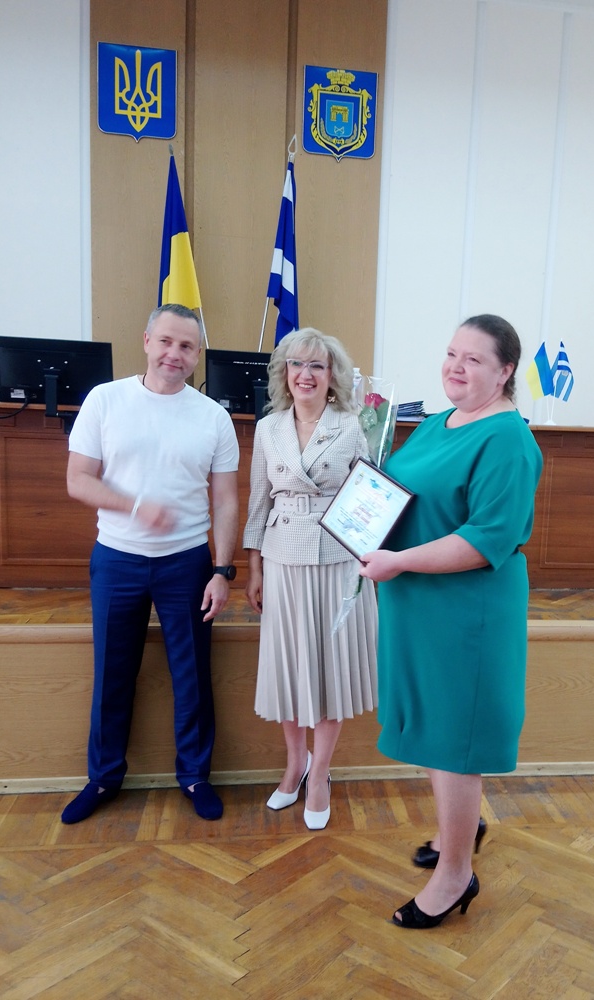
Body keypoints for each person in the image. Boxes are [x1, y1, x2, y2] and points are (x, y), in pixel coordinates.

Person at [360, 314, 542, 928]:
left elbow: (485, 539)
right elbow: (400, 492)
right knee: (438, 730)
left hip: (466, 614)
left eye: (474, 359)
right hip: (419, 604)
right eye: (451, 353)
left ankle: (456, 875)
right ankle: (459, 830)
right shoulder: (440, 422)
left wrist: (397, 560)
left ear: (505, 371)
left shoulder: (508, 440)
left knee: (457, 740)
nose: (455, 366)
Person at [61, 303, 240, 824]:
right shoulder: (105, 400)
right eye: (165, 341)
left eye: (186, 346)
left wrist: (222, 570)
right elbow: (78, 480)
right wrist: (135, 506)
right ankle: (103, 777)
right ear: (146, 341)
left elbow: (226, 500)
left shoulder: (213, 417)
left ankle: (195, 776)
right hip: (117, 558)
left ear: (197, 354)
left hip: (187, 563)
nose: (174, 354)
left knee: (192, 675)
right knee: (112, 673)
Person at [243, 328, 378, 831]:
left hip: (338, 557)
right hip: (282, 557)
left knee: (329, 670)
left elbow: (370, 497)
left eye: (317, 366)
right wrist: (253, 567)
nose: (306, 374)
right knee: (289, 666)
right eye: (297, 364)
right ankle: (294, 763)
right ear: (284, 373)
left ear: (332, 376)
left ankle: (320, 774)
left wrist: (372, 555)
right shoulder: (267, 428)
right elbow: (258, 502)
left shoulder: (353, 425)